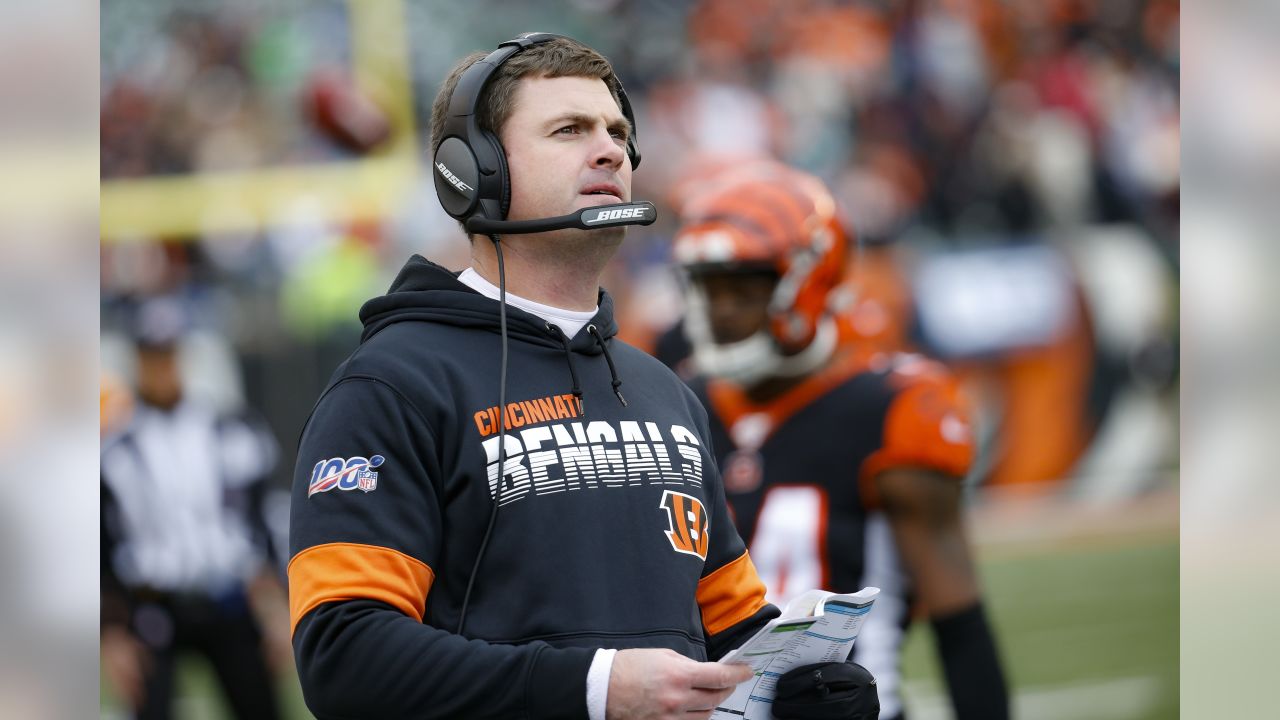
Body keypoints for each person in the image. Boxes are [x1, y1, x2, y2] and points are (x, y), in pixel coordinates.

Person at [288, 33, 877, 719]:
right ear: (473, 169)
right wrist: (596, 689)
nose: (609, 150)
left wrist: (803, 691)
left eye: (618, 131)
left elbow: (732, 632)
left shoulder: (665, 392)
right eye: (569, 130)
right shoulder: (390, 388)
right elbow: (343, 656)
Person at [669, 164, 1010, 720]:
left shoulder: (891, 407)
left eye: (743, 287)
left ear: (809, 280)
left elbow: (960, 621)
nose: (721, 310)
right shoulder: (677, 401)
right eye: (709, 289)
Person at [100, 298, 287, 720]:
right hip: (152, 606)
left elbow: (261, 521)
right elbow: (103, 545)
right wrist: (111, 632)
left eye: (168, 354)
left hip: (230, 600)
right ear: (136, 359)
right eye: (151, 356)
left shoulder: (231, 430)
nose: (161, 367)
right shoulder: (114, 448)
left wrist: (277, 606)